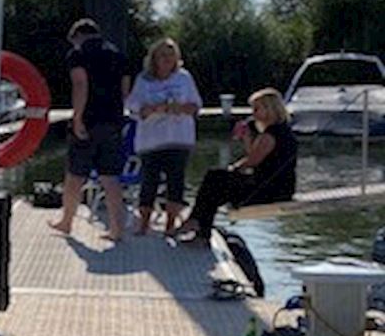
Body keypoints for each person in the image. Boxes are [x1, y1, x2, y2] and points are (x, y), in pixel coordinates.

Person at [48, 17, 131, 241]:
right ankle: (117, 230)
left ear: (78, 36)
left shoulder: (78, 54)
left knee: (75, 174)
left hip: (90, 119)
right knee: (110, 177)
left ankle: (66, 222)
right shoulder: (117, 53)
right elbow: (125, 88)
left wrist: (78, 118)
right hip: (113, 120)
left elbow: (80, 83)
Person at [178, 88, 297, 242]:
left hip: (269, 190)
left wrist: (232, 169)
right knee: (216, 183)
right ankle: (199, 227)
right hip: (278, 187)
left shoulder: (270, 135)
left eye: (256, 109)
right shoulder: (282, 131)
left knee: (215, 178)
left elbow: (251, 161)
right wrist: (247, 137)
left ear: (269, 109)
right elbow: (254, 157)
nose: (253, 113)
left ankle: (198, 226)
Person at [124, 37, 201, 235]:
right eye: (163, 55)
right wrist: (148, 109)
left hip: (179, 138)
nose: (167, 59)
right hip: (151, 139)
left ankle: (170, 224)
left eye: (171, 55)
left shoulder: (184, 78)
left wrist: (180, 108)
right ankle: (144, 224)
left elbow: (195, 105)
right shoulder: (143, 79)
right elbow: (132, 105)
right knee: (149, 181)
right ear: (154, 58)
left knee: (176, 181)